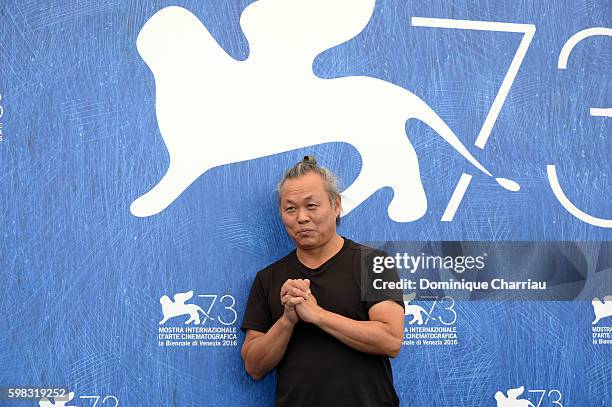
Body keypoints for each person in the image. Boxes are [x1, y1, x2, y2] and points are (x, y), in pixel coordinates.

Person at [241, 156, 405, 407]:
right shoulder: (268, 278)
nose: (302, 217)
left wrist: (317, 315)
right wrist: (287, 320)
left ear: (336, 205)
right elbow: (254, 365)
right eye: (290, 208)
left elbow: (391, 339)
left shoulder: (373, 263)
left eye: (312, 205)